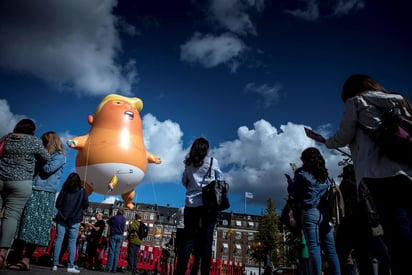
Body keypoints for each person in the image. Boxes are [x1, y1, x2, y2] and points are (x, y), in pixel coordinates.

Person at [324, 74, 412, 274]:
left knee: (396, 226)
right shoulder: (399, 101)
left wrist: (325, 141)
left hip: (379, 173)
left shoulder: (356, 102)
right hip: (407, 171)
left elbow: (343, 136)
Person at [7, 131, 66, 271]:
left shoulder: (59, 156)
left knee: (34, 226)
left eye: (44, 142)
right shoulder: (47, 156)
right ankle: (17, 258)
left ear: (50, 142)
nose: (42, 145)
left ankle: (26, 260)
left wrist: (40, 158)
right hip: (33, 188)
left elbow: (47, 169)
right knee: (24, 225)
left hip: (44, 192)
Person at [0, 118, 50, 268]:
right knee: (11, 217)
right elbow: (46, 158)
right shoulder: (34, 142)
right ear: (32, 130)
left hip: (1, 177)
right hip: (21, 182)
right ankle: (2, 255)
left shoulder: (7, 138)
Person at [288, 147, 340, 275]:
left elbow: (294, 192)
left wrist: (289, 184)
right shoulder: (325, 176)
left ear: (305, 160)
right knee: (331, 249)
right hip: (325, 214)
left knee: (314, 248)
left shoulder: (301, 174)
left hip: (309, 211)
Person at [175, 137, 223, 275]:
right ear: (206, 149)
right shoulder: (213, 162)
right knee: (207, 242)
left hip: (191, 205)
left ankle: (180, 272)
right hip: (209, 205)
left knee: (188, 241)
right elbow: (219, 181)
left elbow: (184, 181)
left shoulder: (189, 164)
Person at [52, 173, 89, 273]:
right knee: (72, 242)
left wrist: (63, 211)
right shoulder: (82, 191)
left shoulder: (64, 190)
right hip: (75, 219)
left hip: (62, 217)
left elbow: (58, 204)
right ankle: (70, 265)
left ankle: (55, 264)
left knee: (59, 239)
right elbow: (86, 205)